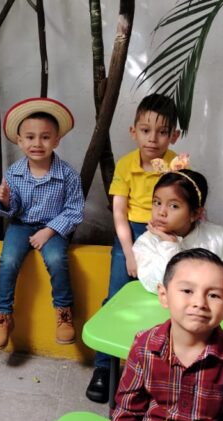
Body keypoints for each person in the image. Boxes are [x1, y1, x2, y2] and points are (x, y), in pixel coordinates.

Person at [101, 248, 223, 421]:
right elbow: (127, 410)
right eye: (187, 291)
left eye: (213, 295)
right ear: (164, 295)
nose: (199, 303)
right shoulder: (144, 345)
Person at [85, 94, 182, 403]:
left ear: (174, 135)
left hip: (166, 236)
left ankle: (156, 372)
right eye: (145, 130)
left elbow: (184, 204)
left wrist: (171, 233)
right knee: (114, 299)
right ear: (133, 132)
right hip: (131, 234)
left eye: (162, 132)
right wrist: (128, 253)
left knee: (162, 301)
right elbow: (119, 213)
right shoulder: (126, 165)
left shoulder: (176, 165)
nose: (152, 139)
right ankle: (103, 368)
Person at [0, 97, 84, 350]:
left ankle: (64, 314)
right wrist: (5, 201)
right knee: (8, 260)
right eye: (30, 137)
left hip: (54, 228)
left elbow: (74, 211)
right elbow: (12, 209)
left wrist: (49, 232)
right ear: (20, 141)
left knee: (56, 259)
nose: (37, 143)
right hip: (21, 225)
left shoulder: (68, 175)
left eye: (45, 137)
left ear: (56, 140)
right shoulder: (14, 173)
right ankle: (2, 316)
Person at [133, 168, 223, 296]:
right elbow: (155, 286)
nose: (161, 212)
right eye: (157, 202)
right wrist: (170, 245)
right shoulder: (146, 242)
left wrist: (210, 278)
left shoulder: (219, 237)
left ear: (195, 214)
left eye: (173, 206)